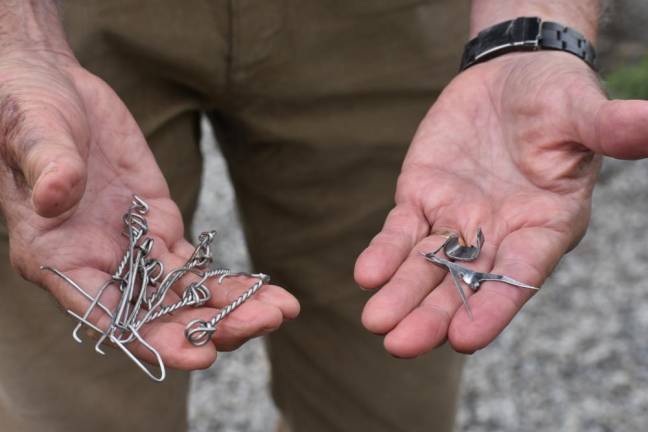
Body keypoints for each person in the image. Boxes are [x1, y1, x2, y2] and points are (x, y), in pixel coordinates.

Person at [0, 0, 646, 431]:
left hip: (387, 27)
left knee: (383, 402)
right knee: (72, 411)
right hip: (64, 24)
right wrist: (17, 40)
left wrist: (528, 32)